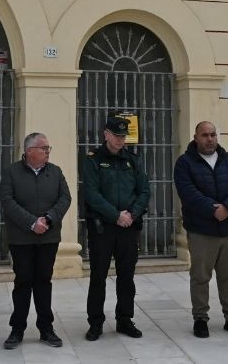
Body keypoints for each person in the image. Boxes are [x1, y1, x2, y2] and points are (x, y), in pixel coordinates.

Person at [173, 121, 228, 338]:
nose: (210, 139)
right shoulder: (185, 163)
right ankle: (200, 318)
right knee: (200, 277)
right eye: (205, 135)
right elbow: (188, 192)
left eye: (213, 135)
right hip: (201, 230)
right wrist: (212, 209)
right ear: (196, 137)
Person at [80, 116, 151, 341]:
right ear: (106, 134)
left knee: (127, 277)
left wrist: (131, 214)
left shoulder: (132, 160)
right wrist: (116, 215)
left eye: (123, 136)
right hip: (102, 228)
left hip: (128, 226)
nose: (121, 140)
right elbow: (91, 194)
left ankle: (125, 320)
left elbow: (144, 191)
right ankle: (95, 322)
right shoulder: (93, 160)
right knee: (98, 276)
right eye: (117, 135)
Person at [0, 132, 72, 350]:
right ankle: (17, 329)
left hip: (48, 237)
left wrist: (48, 219)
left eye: (48, 148)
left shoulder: (55, 171)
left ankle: (46, 329)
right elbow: (7, 201)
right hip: (21, 238)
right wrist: (32, 222)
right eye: (44, 148)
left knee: (43, 281)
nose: (48, 152)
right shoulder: (11, 172)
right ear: (30, 151)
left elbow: (65, 198)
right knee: (22, 282)